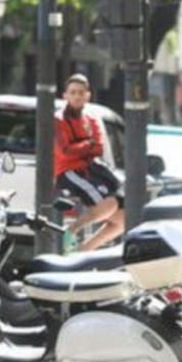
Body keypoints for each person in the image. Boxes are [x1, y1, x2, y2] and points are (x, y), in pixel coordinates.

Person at [55, 74, 124, 251]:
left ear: (88, 95)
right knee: (110, 204)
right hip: (69, 172)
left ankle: (83, 252)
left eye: (81, 92)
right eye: (73, 92)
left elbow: (99, 147)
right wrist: (88, 144)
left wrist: (80, 146)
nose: (77, 96)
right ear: (65, 96)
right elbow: (65, 151)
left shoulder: (91, 119)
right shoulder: (59, 120)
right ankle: (71, 230)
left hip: (90, 170)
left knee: (123, 219)